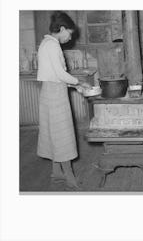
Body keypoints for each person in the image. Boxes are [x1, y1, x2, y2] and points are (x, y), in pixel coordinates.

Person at [37, 11, 91, 189]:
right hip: (55, 97)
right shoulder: (52, 46)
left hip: (51, 91)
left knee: (54, 134)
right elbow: (60, 74)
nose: (70, 37)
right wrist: (79, 81)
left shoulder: (46, 43)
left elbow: (54, 77)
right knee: (63, 136)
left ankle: (56, 173)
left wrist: (75, 86)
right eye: (69, 33)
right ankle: (70, 178)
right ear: (61, 29)